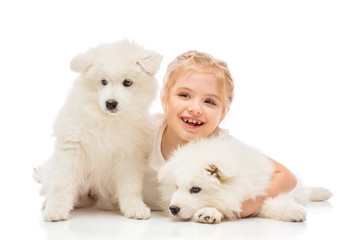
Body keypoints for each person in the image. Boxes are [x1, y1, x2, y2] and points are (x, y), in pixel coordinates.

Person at [143, 50, 297, 218]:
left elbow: (286, 177)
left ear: (223, 113)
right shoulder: (143, 132)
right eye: (184, 95)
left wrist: (240, 209)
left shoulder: (224, 147)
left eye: (209, 101)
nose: (195, 108)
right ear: (164, 100)